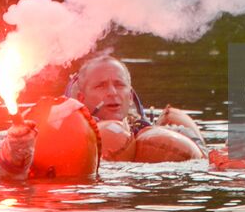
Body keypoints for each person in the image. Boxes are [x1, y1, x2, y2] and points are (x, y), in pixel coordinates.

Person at [68, 54, 207, 158]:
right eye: (101, 86)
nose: (112, 92)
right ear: (81, 98)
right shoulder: (71, 140)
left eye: (119, 84)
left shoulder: (173, 133)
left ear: (129, 96)